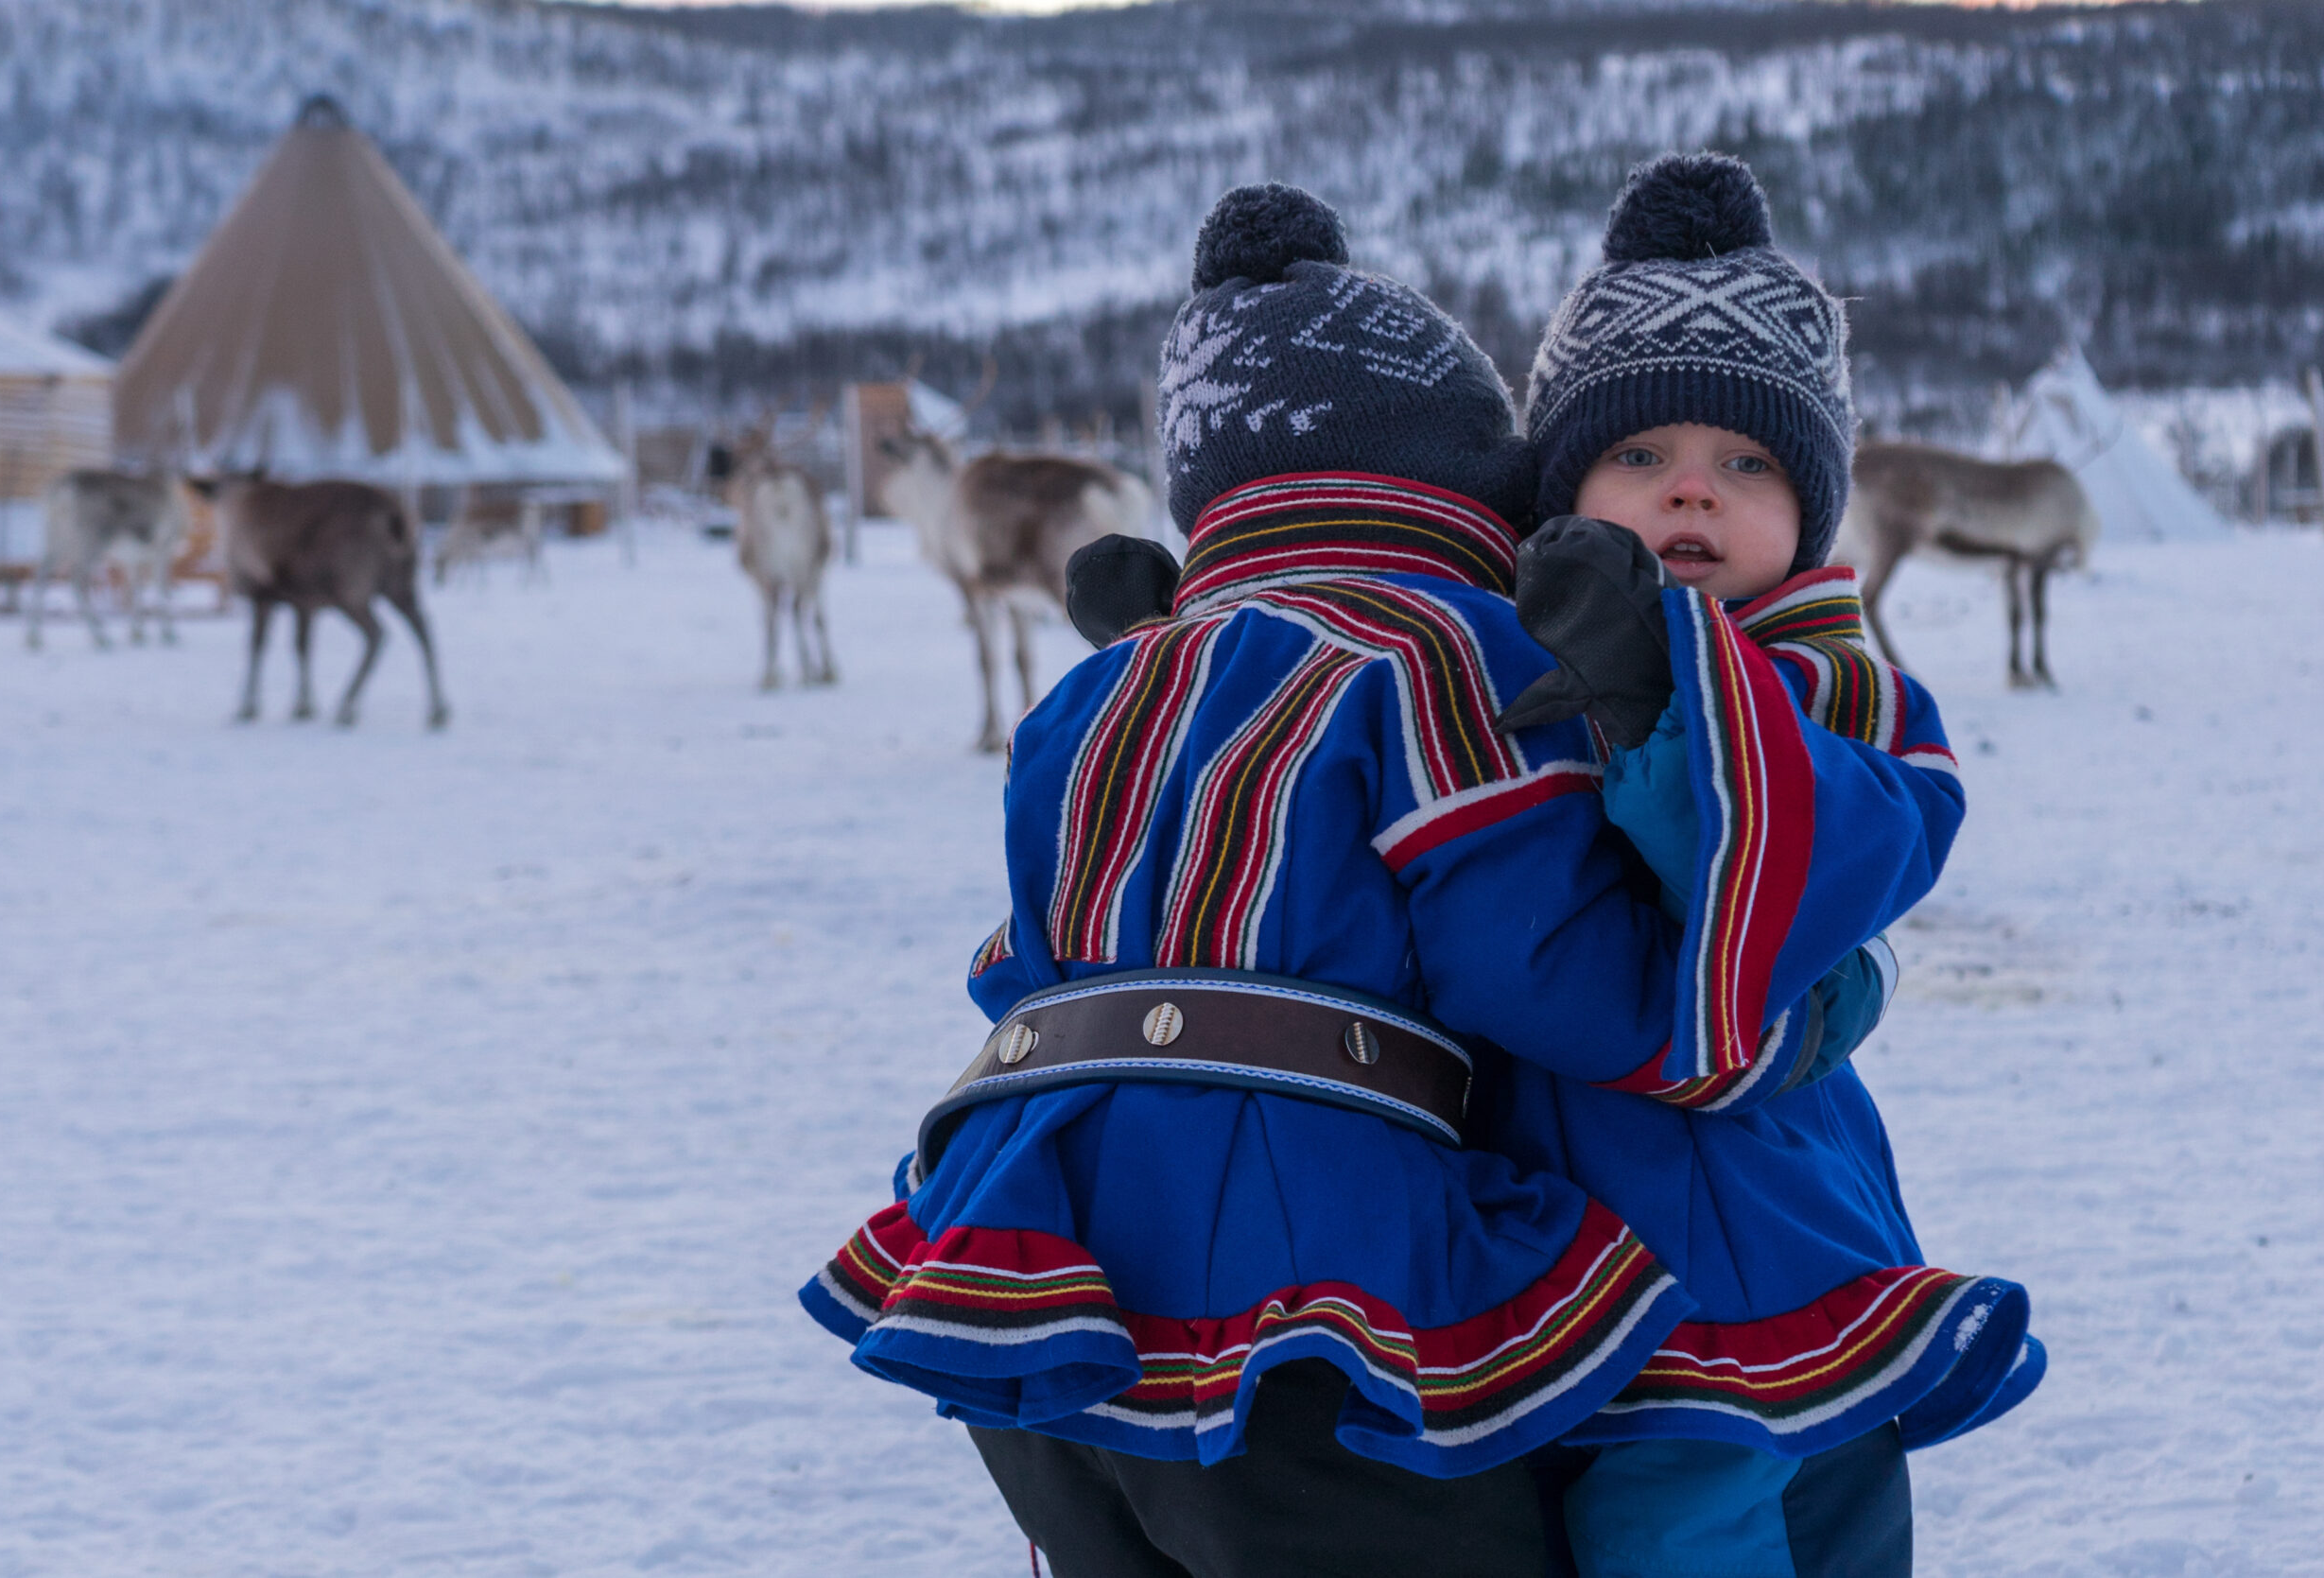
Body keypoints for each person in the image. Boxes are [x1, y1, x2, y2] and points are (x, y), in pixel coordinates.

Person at [804, 182, 1733, 1578]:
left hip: (1025, 1252)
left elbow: (1019, 958)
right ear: (1468, 491)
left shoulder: (1103, 683)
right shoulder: (1450, 659)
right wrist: (1712, 1000)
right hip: (1308, 1278)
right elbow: (1530, 967)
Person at [1494, 151, 2045, 1577]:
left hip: (1788, 1214)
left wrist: (1662, 710)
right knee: (1673, 1513)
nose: (1691, 495)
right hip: (1594, 1238)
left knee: (1839, 1507)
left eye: (1744, 464)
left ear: (1811, 505)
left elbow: (1814, 861)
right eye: (1638, 459)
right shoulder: (1496, 688)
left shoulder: (1833, 687)